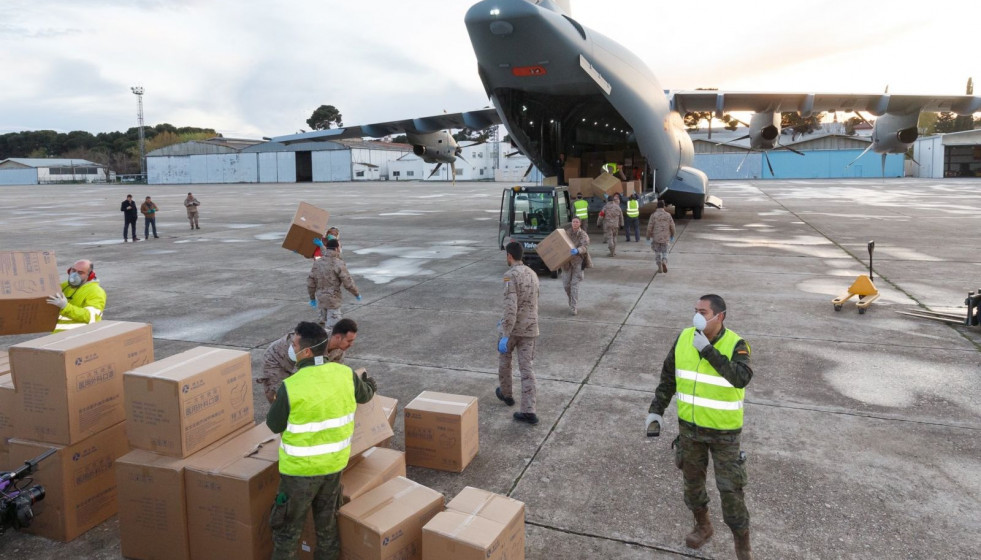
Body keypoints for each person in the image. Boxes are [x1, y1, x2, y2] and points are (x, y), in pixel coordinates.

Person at [646, 295, 754, 559]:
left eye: (703, 312)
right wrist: (656, 411)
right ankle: (703, 526)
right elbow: (668, 377)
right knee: (692, 485)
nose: (697, 317)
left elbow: (741, 378)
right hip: (690, 431)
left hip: (724, 434)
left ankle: (743, 545)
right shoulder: (684, 337)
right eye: (695, 311)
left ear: (720, 317)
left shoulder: (736, 343)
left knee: (731, 492)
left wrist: (708, 351)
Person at [266, 321, 377, 560]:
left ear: (305, 352)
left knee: (287, 534)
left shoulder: (290, 386)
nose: (291, 348)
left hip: (299, 474)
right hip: (333, 467)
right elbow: (366, 394)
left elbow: (274, 424)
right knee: (327, 530)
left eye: (294, 344)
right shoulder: (345, 374)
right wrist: (369, 384)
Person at [256, 318, 359, 403]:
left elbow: (334, 373)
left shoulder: (339, 350)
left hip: (296, 363)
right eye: (349, 341)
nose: (351, 344)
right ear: (338, 337)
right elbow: (300, 375)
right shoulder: (314, 343)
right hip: (276, 361)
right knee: (281, 400)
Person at [495, 242, 540, 425]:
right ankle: (529, 410)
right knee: (527, 368)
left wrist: (505, 332)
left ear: (509, 256)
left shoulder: (509, 276)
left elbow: (510, 306)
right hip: (530, 328)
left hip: (514, 328)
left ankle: (507, 394)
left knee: (505, 361)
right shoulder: (532, 273)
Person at [307, 239, 361, 329]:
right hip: (333, 300)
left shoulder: (317, 263)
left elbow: (310, 282)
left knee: (322, 324)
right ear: (336, 248)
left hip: (320, 299)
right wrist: (356, 293)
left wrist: (312, 298)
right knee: (333, 329)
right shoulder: (338, 263)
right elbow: (348, 283)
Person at [45, 259, 107, 332]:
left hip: (80, 336)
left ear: (90, 275)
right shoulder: (65, 286)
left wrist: (65, 307)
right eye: (73, 270)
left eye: (80, 272)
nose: (75, 275)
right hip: (58, 336)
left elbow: (90, 316)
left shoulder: (96, 291)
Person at [560, 217, 589, 315]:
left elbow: (585, 247)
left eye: (577, 222)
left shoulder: (583, 234)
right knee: (566, 285)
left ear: (580, 223)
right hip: (567, 263)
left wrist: (578, 250)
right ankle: (571, 301)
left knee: (574, 285)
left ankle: (574, 306)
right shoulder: (567, 233)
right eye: (573, 222)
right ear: (571, 223)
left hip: (577, 262)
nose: (575, 223)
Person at [646, 200, 676, 273]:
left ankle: (659, 267)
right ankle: (664, 261)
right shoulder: (668, 215)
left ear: (657, 206)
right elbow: (672, 226)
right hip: (665, 238)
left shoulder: (653, 215)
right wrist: (672, 235)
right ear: (663, 206)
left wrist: (648, 237)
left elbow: (649, 227)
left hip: (656, 238)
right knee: (665, 252)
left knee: (657, 252)